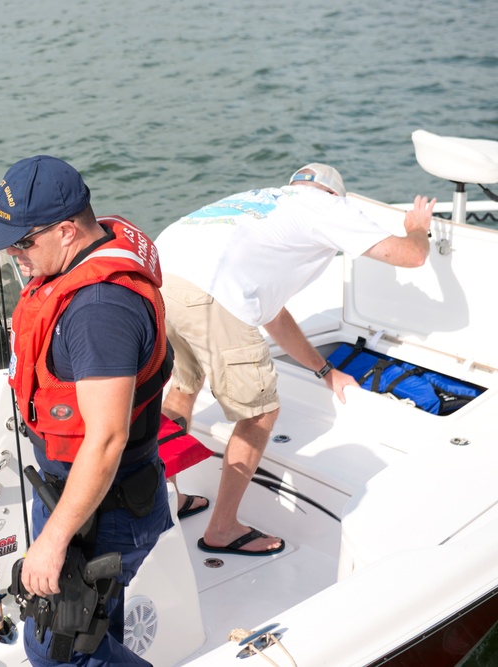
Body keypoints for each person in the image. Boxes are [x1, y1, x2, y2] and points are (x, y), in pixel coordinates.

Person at [156, 164, 435, 555]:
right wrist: (417, 226)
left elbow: (273, 314)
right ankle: (222, 529)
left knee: (185, 385)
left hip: (158, 278)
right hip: (209, 292)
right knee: (259, 414)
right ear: (335, 194)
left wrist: (325, 371)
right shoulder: (325, 205)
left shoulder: (261, 202)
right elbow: (411, 256)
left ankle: (163, 501)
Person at [0, 155, 172, 666]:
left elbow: (105, 439)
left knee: (61, 653)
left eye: (22, 242)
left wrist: (53, 540)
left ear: (65, 231)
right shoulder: (77, 259)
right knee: (94, 626)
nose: (14, 254)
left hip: (106, 507)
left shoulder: (99, 310)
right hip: (77, 490)